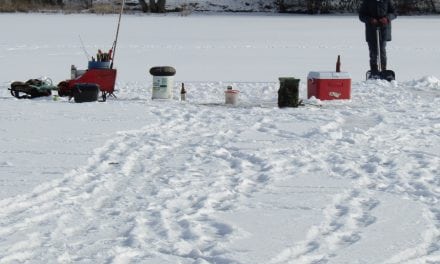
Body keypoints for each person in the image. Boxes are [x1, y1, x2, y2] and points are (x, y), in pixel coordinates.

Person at [359, 0, 396, 76]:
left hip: (384, 29)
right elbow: (361, 15)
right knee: (373, 51)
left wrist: (387, 18)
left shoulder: (387, 1)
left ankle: (383, 70)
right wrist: (370, 20)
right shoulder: (367, 1)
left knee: (382, 50)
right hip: (371, 29)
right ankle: (374, 70)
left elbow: (394, 13)